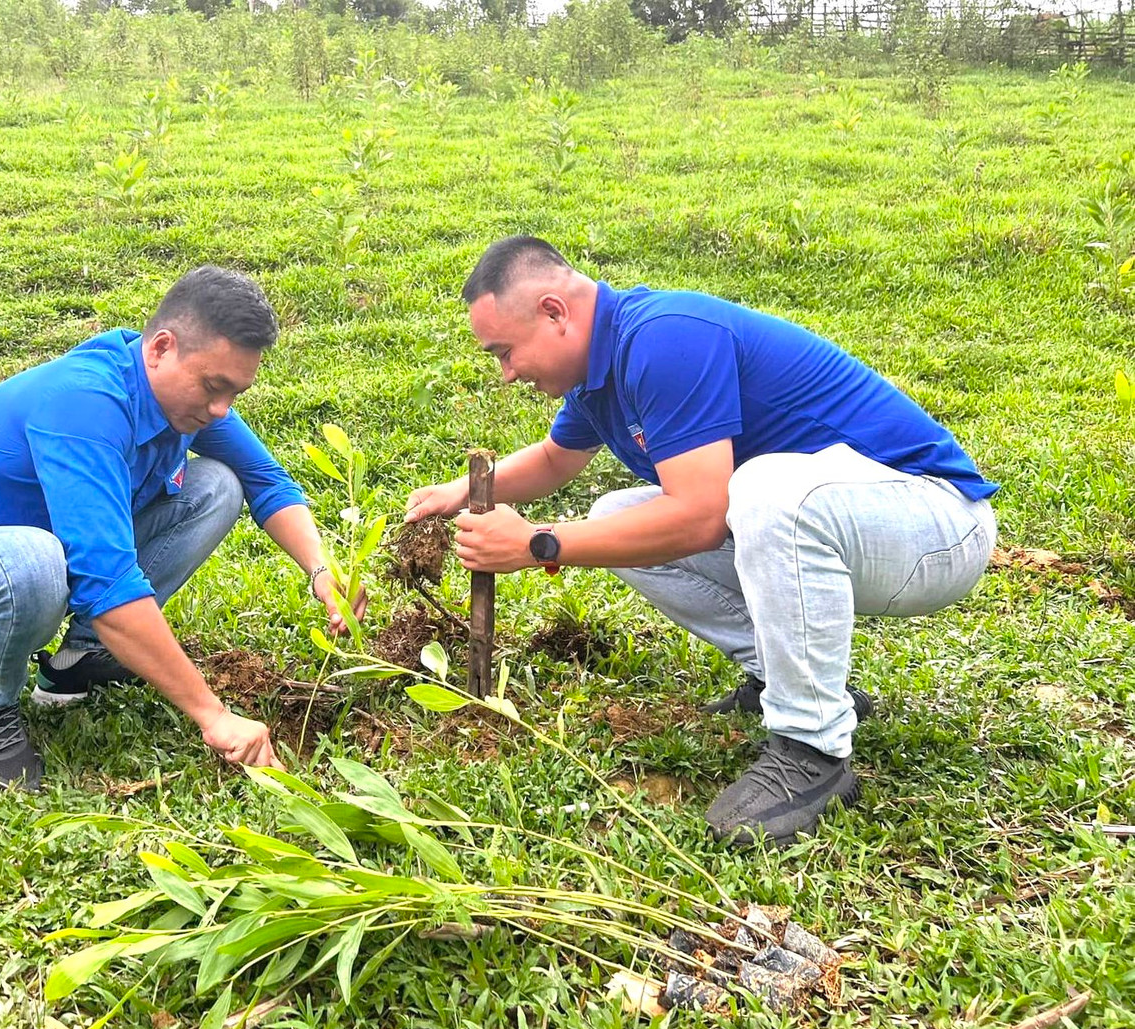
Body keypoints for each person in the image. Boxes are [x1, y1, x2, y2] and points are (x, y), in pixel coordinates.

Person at [405, 236, 998, 846]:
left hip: (937, 526)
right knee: (617, 514)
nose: (506, 374)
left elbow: (700, 518)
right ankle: (790, 680)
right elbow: (557, 459)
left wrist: (540, 544)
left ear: (554, 312)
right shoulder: (599, 370)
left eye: (505, 352)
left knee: (765, 491)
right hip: (852, 526)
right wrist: (460, 490)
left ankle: (812, 748)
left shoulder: (665, 338)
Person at [0, 265, 365, 790]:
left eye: (235, 394)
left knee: (218, 485)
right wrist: (214, 716)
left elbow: (265, 478)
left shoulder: (178, 399)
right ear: (162, 348)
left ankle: (80, 659)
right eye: (213, 387)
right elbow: (105, 581)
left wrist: (321, 570)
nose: (222, 410)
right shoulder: (85, 401)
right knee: (29, 562)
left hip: (46, 561)